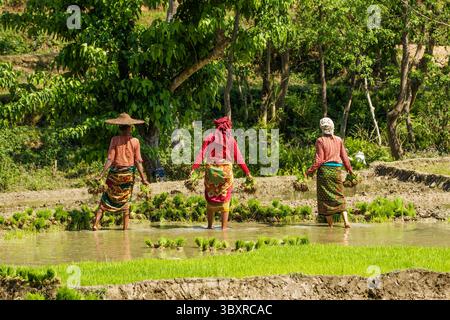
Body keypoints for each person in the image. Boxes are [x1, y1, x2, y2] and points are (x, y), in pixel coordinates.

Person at [190, 116, 252, 230]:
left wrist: (194, 168)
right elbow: (239, 158)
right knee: (225, 198)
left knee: (210, 196)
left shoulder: (209, 137)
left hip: (211, 172)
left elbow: (201, 153)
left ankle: (209, 227)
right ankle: (224, 229)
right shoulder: (230, 139)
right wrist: (247, 173)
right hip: (225, 173)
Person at [93, 113, 149, 231]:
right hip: (127, 175)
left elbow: (110, 159)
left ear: (120, 128)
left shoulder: (115, 139)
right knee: (126, 201)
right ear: (130, 127)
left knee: (105, 199)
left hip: (114, 175)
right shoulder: (135, 141)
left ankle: (95, 224)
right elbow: (138, 161)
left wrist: (101, 175)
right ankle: (125, 229)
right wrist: (144, 179)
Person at [306, 117, 353, 228]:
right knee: (339, 196)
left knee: (325, 199)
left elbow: (319, 160)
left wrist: (310, 171)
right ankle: (346, 222)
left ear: (322, 128)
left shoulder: (320, 141)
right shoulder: (339, 140)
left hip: (325, 172)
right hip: (337, 171)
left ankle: (330, 226)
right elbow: (345, 157)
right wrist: (350, 170)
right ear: (332, 128)